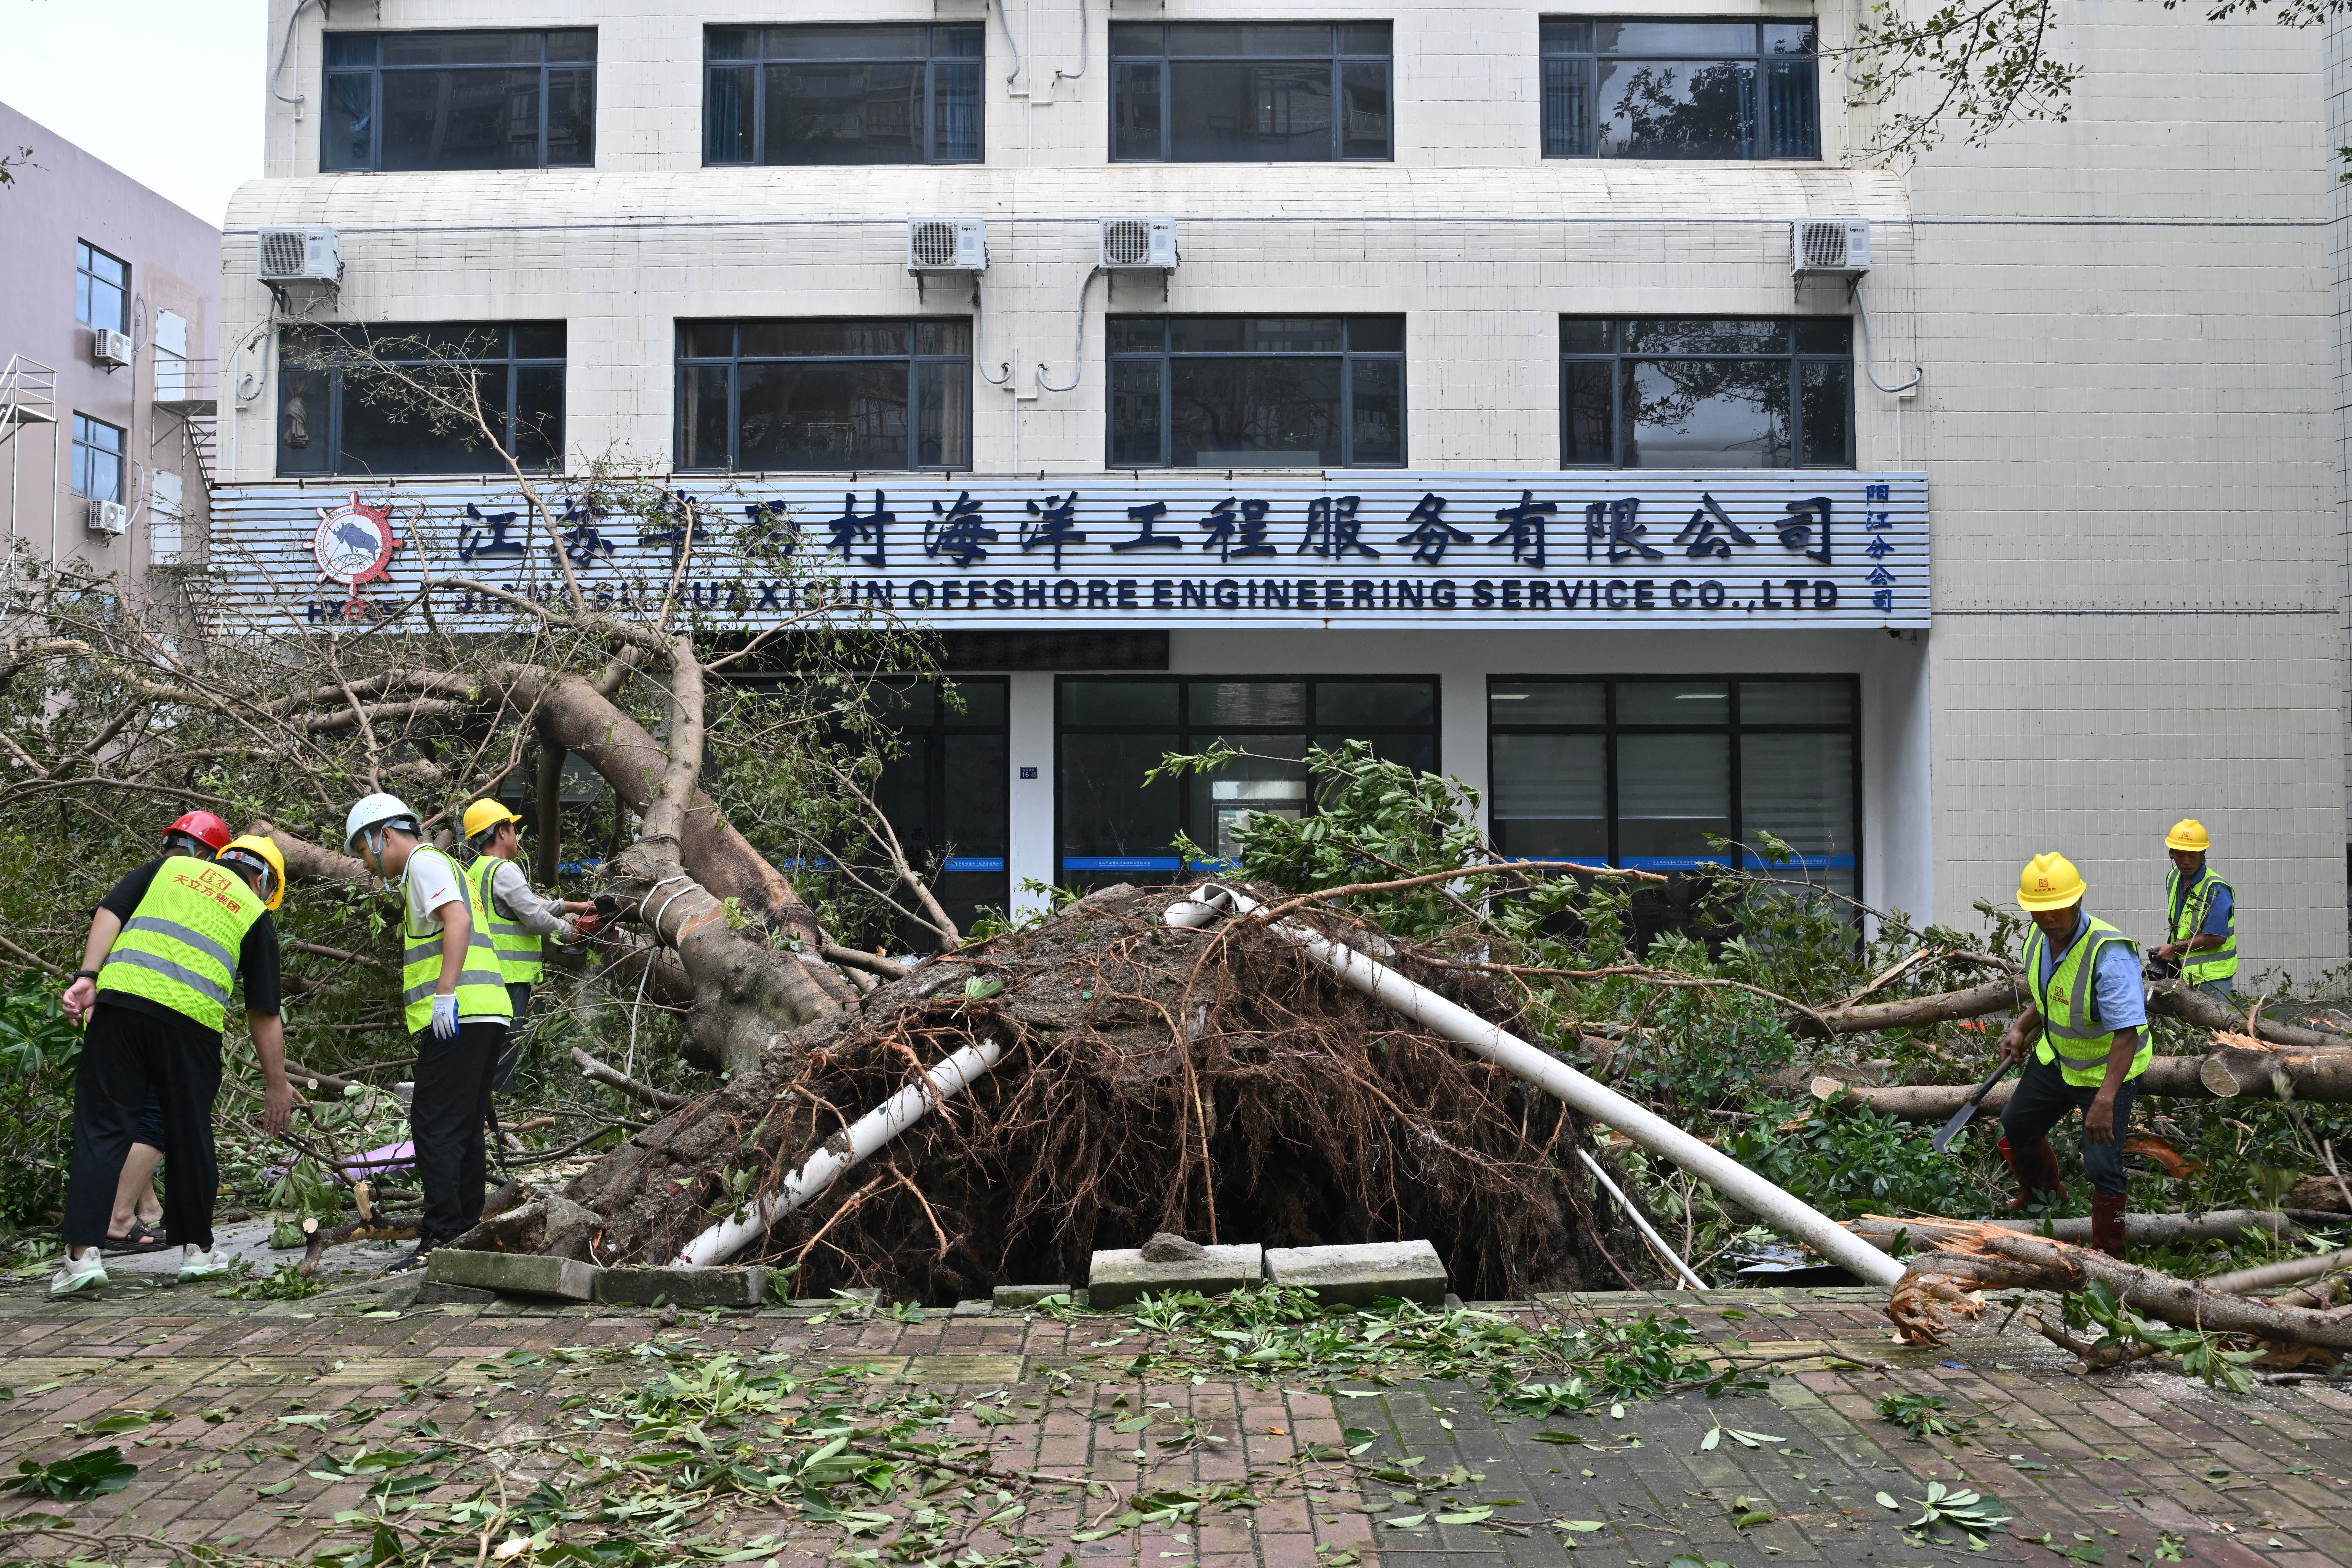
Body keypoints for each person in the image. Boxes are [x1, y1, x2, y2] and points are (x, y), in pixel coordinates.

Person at [54, 832, 297, 1295]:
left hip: (121, 1007)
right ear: (264, 882)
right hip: (191, 1026)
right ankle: (199, 1252)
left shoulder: (166, 868)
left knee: (102, 1128)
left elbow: (110, 910)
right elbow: (264, 1012)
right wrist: (276, 1084)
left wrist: (88, 975)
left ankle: (83, 1257)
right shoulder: (254, 913)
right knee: (189, 1134)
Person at [344, 792, 512, 1273]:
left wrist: (444, 993)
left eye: (363, 849)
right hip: (482, 1012)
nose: (366, 863)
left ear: (386, 836)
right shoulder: (435, 866)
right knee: (461, 1128)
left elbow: (456, 920)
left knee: (434, 1126)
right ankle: (464, 1231)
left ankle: (441, 1237)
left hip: (459, 1014)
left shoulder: (424, 863)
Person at [1996, 851, 2149, 1258]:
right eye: (2039, 911)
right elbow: (2051, 995)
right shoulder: (2038, 940)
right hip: (2057, 1059)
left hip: (2106, 1071)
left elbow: (2127, 1033)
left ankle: (2109, 1255)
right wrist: (2021, 1027)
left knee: (2102, 1165)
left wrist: (2103, 1101)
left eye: (2057, 910)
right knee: (2017, 1124)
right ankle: (2044, 1197)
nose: (2048, 919)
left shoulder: (2109, 954)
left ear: (2078, 901)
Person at [458, 799, 596, 1093]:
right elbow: (532, 916)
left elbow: (526, 903)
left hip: (484, 974)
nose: (517, 834)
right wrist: (571, 934)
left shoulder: (476, 871)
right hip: (509, 975)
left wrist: (571, 905)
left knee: (487, 1047)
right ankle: (498, 1113)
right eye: (513, 827)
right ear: (501, 832)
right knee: (507, 1047)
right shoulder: (505, 869)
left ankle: (482, 1110)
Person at [2152, 818, 2236, 1004]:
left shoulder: (2216, 888)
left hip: (2213, 978)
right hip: (2183, 972)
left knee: (2217, 1033)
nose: (2186, 862)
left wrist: (2174, 948)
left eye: (2192, 855)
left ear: (2203, 852)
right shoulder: (2173, 878)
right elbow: (2181, 924)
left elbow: (2217, 937)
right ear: (2171, 853)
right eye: (2180, 855)